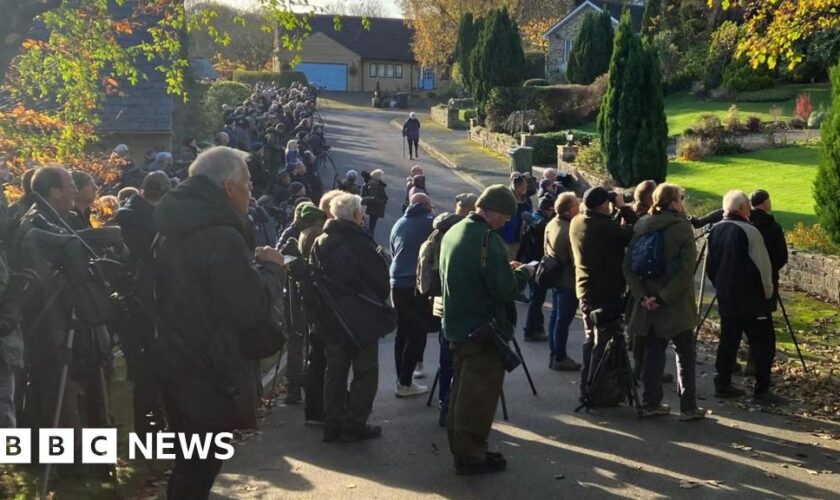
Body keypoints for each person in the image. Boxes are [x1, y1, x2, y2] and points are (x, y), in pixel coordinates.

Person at [151, 146, 287, 498]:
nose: (251, 192)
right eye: (248, 185)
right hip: (209, 366)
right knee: (201, 464)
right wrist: (271, 270)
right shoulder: (221, 235)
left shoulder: (171, 227)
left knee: (190, 461)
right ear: (228, 187)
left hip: (175, 355)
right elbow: (248, 307)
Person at [440, 184, 534, 475]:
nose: (506, 223)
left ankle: (466, 450)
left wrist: (504, 268)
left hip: (457, 325)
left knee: (460, 394)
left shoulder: (455, 230)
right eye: (505, 217)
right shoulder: (486, 240)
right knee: (478, 398)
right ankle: (470, 457)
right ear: (493, 212)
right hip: (482, 330)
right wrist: (522, 272)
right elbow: (503, 289)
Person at [309, 193, 390, 442]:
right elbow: (381, 283)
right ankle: (355, 422)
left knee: (335, 371)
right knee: (365, 371)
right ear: (356, 214)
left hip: (331, 317)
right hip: (361, 318)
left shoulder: (320, 242)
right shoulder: (362, 243)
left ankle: (332, 422)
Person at [623, 183, 705, 421]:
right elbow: (686, 271)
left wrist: (642, 297)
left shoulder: (641, 225)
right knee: (685, 353)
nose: (683, 201)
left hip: (647, 301)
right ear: (672, 203)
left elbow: (628, 266)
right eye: (680, 197)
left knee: (653, 352)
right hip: (675, 303)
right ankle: (688, 407)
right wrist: (663, 297)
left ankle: (651, 402)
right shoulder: (681, 228)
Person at [706, 190, 784, 405]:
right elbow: (762, 267)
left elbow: (710, 267)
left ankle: (722, 384)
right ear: (742, 208)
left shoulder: (716, 229)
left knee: (728, 341)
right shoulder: (749, 231)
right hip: (752, 300)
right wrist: (768, 294)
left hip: (727, 297)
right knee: (764, 344)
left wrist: (720, 287)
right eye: (747, 206)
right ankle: (761, 390)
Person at [114, 171, 171, 434]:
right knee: (145, 368)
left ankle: (157, 423)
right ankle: (147, 428)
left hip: (154, 296)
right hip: (137, 299)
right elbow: (141, 251)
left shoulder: (151, 214)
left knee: (159, 366)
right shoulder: (129, 216)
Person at [569, 187, 637, 398]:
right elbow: (635, 231)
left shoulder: (578, 222)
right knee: (603, 343)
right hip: (604, 294)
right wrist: (624, 208)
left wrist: (615, 211)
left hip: (584, 290)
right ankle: (596, 390)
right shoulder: (604, 228)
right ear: (602, 205)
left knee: (591, 339)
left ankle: (587, 387)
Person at [432, 193, 476, 427]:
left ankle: (443, 402)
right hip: (458, 304)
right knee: (460, 360)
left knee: (445, 359)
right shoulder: (463, 233)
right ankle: (452, 407)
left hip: (440, 302)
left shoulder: (438, 228)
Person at [390, 193, 434, 397]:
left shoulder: (399, 222)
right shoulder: (429, 223)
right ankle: (406, 382)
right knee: (417, 331)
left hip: (396, 282)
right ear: (426, 206)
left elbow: (393, 250)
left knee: (403, 331)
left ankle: (401, 377)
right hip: (414, 282)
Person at [544, 193, 582, 371]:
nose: (579, 206)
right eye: (576, 204)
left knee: (555, 317)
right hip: (567, 280)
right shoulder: (569, 230)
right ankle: (559, 356)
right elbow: (576, 259)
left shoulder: (552, 224)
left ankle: (554, 353)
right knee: (563, 320)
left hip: (554, 276)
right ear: (569, 209)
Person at [520, 195, 555, 341]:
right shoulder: (544, 224)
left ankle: (538, 327)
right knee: (537, 299)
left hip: (528, 261)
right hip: (539, 264)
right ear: (550, 209)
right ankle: (530, 330)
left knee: (536, 297)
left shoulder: (531, 218)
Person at [501, 175, 532, 262]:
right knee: (510, 261)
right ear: (519, 187)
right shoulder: (507, 200)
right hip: (509, 239)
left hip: (522, 237)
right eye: (524, 186)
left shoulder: (526, 199)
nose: (526, 188)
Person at [361, 169, 388, 238]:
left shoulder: (374, 186)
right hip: (377, 208)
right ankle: (370, 237)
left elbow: (373, 198)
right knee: (372, 225)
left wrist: (363, 201)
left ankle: (369, 238)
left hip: (373, 208)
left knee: (371, 226)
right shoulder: (379, 185)